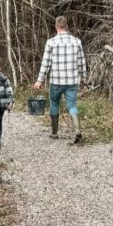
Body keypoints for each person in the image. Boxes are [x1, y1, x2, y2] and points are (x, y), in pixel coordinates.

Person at [33, 15, 87, 143]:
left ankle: (54, 132)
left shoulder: (51, 42)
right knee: (72, 105)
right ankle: (77, 130)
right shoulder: (76, 41)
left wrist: (40, 80)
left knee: (54, 103)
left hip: (56, 81)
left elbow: (45, 63)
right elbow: (81, 62)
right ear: (67, 27)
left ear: (56, 27)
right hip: (72, 81)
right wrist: (84, 77)